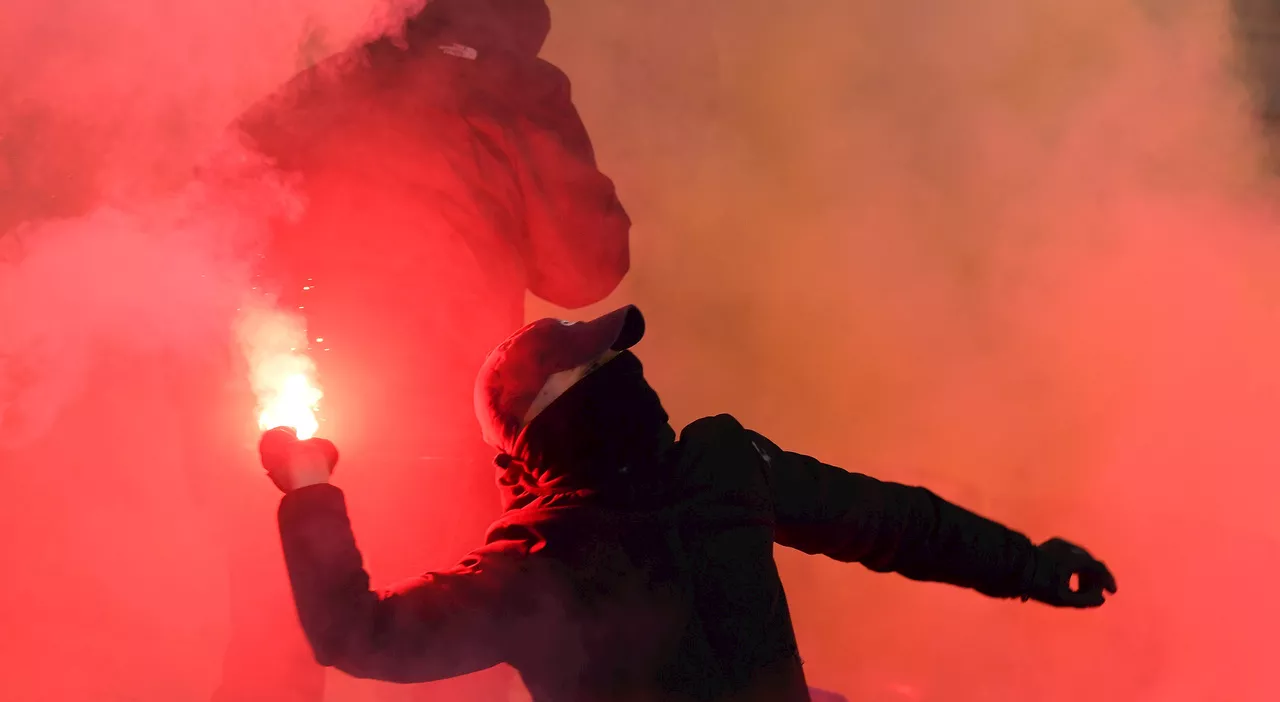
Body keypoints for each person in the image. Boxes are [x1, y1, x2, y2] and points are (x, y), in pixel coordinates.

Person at [259, 305, 1118, 702]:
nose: (616, 371)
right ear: (543, 418)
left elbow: (359, 636)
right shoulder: (716, 467)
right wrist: (1027, 567)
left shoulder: (535, 565)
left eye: (610, 359)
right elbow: (890, 524)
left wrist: (309, 488)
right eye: (590, 366)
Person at [206, 1, 630, 700]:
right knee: (449, 654)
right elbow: (587, 268)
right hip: (451, 434)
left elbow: (217, 205)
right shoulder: (520, 95)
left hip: (310, 432)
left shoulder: (328, 86)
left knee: (280, 638)